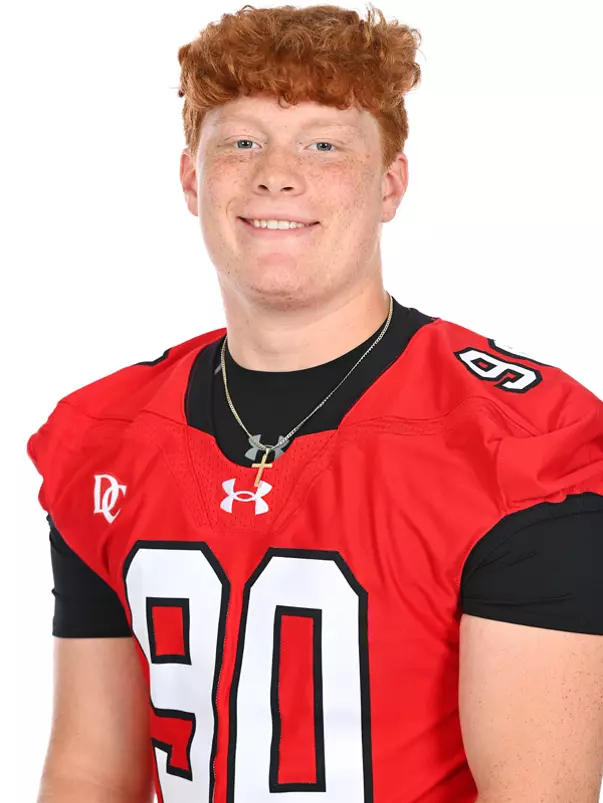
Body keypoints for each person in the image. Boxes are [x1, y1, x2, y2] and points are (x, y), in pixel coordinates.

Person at [27, 4, 603, 803]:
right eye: (241, 141)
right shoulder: (103, 435)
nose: (276, 173)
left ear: (389, 184)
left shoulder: (518, 441)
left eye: (324, 144)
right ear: (192, 179)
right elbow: (90, 770)